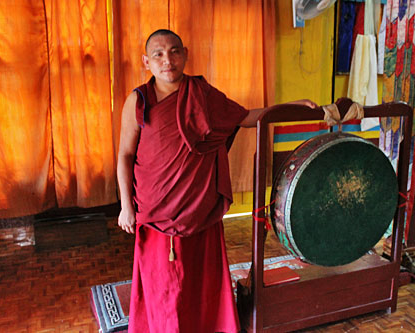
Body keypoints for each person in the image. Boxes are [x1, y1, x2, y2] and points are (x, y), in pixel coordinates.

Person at [117, 29, 317, 333]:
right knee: (161, 283)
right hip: (155, 210)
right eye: (158, 54)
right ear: (146, 61)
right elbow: (125, 156)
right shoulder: (138, 101)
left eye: (174, 51)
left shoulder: (202, 95)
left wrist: (290, 108)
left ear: (185, 54)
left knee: (202, 279)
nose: (167, 60)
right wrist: (125, 207)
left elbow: (245, 117)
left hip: (199, 208)